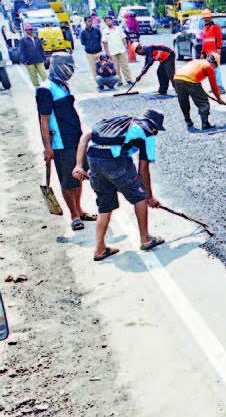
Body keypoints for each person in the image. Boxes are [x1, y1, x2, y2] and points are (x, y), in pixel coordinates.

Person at [72, 110, 165, 261]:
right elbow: (143, 169)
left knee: (105, 205)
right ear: (154, 127)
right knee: (139, 197)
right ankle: (145, 238)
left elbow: (85, 136)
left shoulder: (118, 121)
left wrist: (79, 166)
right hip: (115, 160)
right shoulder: (148, 133)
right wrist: (148, 196)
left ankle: (100, 249)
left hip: (93, 159)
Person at [37, 53, 96, 231]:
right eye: (68, 68)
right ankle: (74, 216)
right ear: (59, 67)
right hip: (61, 143)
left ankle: (80, 209)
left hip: (75, 140)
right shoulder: (45, 90)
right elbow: (44, 121)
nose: (70, 72)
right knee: (67, 181)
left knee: (78, 177)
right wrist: (47, 147)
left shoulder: (62, 85)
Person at [173, 53, 222, 129]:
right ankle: (205, 124)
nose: (215, 68)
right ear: (214, 63)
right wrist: (219, 98)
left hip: (177, 78)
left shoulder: (197, 61)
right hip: (190, 81)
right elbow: (214, 86)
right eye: (216, 66)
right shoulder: (209, 67)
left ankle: (188, 121)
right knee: (203, 102)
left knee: (183, 101)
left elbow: (191, 72)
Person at [197, 10, 226, 94]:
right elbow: (204, 41)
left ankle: (220, 87)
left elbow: (219, 39)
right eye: (205, 18)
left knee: (216, 70)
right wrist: (202, 53)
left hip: (214, 52)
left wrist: (219, 49)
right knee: (210, 71)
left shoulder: (216, 27)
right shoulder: (204, 28)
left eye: (207, 17)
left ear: (210, 17)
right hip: (207, 53)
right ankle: (214, 87)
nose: (206, 19)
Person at [100, 15, 133, 85]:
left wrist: (126, 47)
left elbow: (123, 38)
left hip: (121, 50)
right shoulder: (105, 31)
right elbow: (104, 42)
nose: (108, 22)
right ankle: (119, 81)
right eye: (106, 21)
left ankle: (129, 79)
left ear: (112, 21)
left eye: (109, 21)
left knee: (125, 66)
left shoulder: (119, 29)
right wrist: (107, 53)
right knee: (116, 68)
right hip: (112, 53)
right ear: (105, 23)